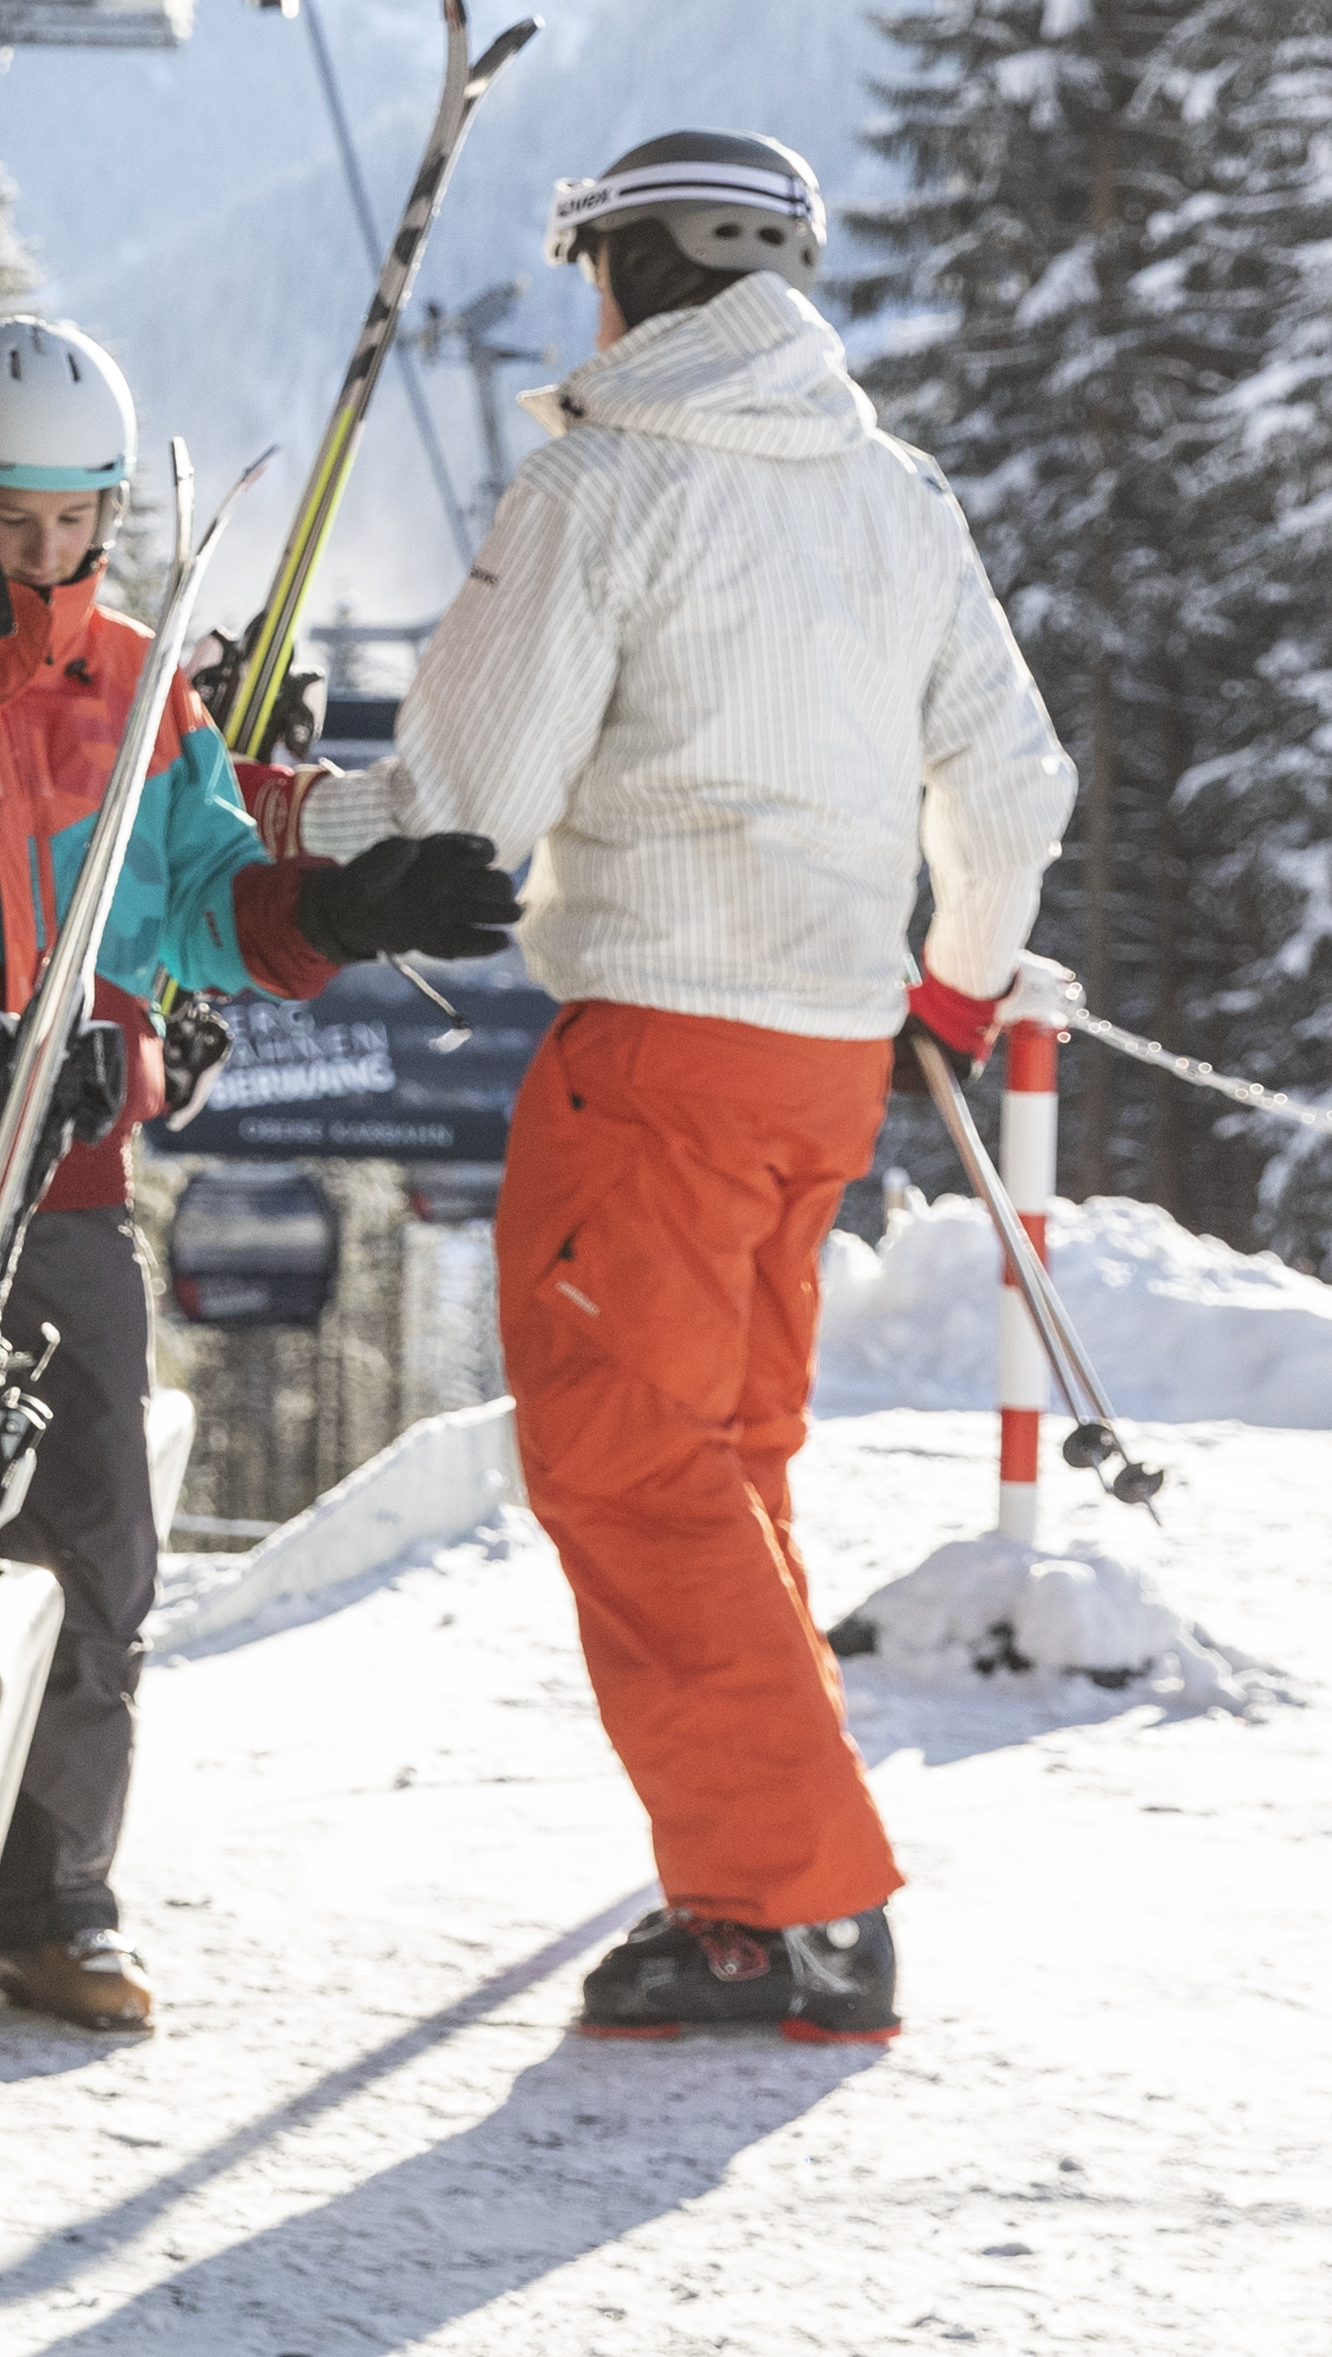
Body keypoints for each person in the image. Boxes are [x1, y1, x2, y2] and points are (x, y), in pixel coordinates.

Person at [304, 130, 1074, 2050]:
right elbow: (1015, 785)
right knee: (721, 1467)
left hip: (651, 1052)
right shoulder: (899, 500)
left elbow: (461, 807)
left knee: (627, 1473)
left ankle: (802, 1912)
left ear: (623, 273)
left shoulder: (601, 481)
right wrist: (953, 992)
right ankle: (744, 1885)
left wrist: (283, 815)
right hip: (827, 1063)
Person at [0, 311, 523, 2038]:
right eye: (14, 520)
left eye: (78, 518)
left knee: (92, 1537)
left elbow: (212, 893)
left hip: (68, 1178)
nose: (51, 552)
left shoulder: (139, 699)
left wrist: (346, 908)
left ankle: (52, 1898)